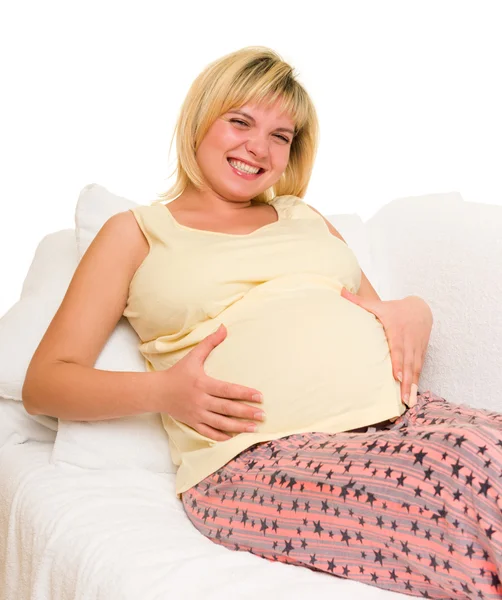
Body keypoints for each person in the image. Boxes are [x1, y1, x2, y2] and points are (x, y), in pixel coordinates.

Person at [22, 46, 502, 599]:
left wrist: (415, 308)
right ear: (199, 119)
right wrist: (163, 391)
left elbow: (378, 310)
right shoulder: (135, 232)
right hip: (261, 459)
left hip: (403, 419)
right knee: (470, 470)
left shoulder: (305, 217)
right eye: (240, 121)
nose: (259, 147)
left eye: (281, 135)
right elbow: (45, 383)